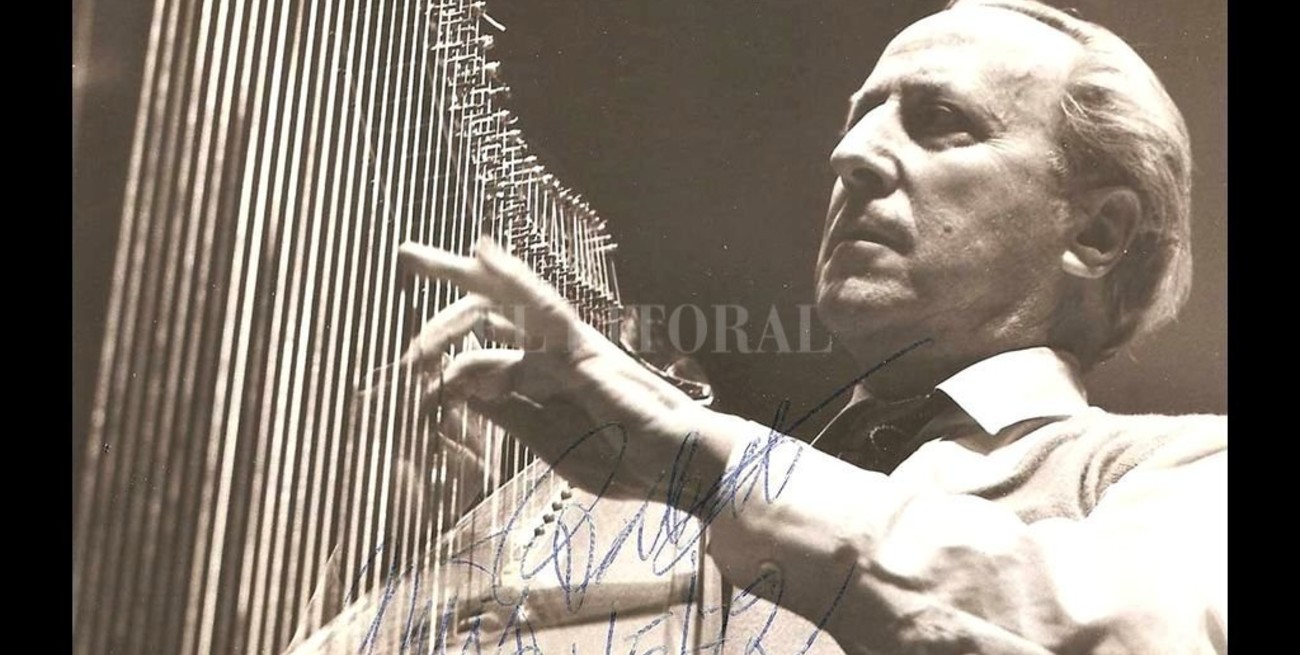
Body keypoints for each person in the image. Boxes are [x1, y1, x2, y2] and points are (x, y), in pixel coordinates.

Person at [396, 0, 1227, 653]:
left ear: (1098, 234)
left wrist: (708, 459)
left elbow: (1136, 629)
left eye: (940, 118)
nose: (850, 154)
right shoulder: (652, 503)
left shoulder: (1180, 465)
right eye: (859, 115)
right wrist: (415, 559)